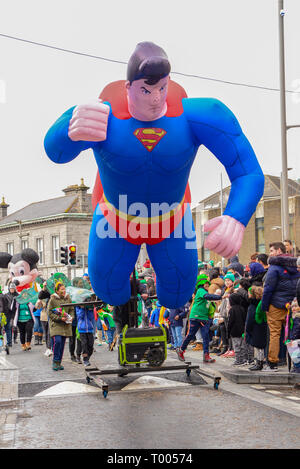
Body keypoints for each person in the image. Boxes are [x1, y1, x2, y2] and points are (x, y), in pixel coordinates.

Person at [44, 41, 264, 310]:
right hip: (116, 220)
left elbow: (248, 173)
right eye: (146, 90)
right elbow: (55, 152)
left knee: (177, 295)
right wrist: (68, 129)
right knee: (111, 292)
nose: (156, 99)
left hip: (172, 220)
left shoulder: (197, 115)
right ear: (128, 88)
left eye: (162, 88)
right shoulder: (103, 115)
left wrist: (236, 218)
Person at [261, 242, 300, 371]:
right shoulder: (296, 265)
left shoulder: (274, 267)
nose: (270, 253)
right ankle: (295, 362)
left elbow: (268, 288)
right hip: (292, 305)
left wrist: (265, 306)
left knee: (274, 334)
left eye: (272, 250)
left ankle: (273, 363)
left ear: (278, 251)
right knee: (293, 334)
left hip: (276, 305)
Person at [176, 274, 222, 363]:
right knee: (190, 335)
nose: (207, 286)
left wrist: (210, 315)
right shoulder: (201, 291)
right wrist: (220, 297)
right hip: (196, 317)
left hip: (204, 318)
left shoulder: (206, 293)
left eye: (208, 285)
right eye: (206, 285)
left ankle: (206, 355)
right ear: (201, 285)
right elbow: (207, 297)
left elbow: (210, 305)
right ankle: (181, 350)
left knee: (206, 337)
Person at [47, 282, 74, 371]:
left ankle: (59, 363)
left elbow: (71, 309)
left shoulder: (68, 298)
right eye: (62, 289)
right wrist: (59, 318)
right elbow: (49, 312)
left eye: (64, 288)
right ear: (57, 291)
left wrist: (71, 317)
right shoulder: (53, 299)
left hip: (66, 325)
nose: (64, 290)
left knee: (62, 344)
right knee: (57, 341)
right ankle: (55, 361)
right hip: (56, 325)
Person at [245, 286, 267, 371]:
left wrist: (248, 329)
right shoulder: (261, 302)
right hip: (262, 326)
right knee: (260, 346)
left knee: (258, 347)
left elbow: (250, 318)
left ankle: (259, 363)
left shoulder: (252, 305)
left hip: (255, 327)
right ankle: (259, 362)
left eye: (249, 293)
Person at [227, 293, 248, 366]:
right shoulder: (242, 308)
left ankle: (238, 360)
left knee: (236, 346)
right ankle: (244, 359)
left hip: (234, 331)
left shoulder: (232, 310)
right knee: (243, 346)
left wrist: (228, 332)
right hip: (242, 331)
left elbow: (230, 322)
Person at [76, 296, 96, 367]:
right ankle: (85, 359)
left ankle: (87, 357)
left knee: (90, 345)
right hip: (82, 329)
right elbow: (80, 316)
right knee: (84, 345)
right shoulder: (77, 307)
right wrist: (81, 308)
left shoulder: (89, 307)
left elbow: (91, 317)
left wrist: (90, 309)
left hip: (90, 329)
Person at [38, 282, 52, 357]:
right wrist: (44, 287)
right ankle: (48, 347)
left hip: (53, 316)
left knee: (50, 333)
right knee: (47, 332)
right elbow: (40, 296)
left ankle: (50, 347)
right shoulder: (48, 293)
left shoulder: (57, 294)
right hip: (44, 316)